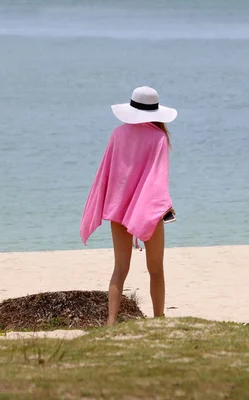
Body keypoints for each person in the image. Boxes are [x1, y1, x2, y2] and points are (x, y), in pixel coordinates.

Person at [80, 86, 177, 325]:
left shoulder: (118, 134)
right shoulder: (159, 137)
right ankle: (159, 320)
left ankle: (111, 323)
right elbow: (157, 178)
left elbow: (110, 174)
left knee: (120, 269)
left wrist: (110, 203)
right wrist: (164, 206)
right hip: (147, 212)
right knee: (156, 269)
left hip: (119, 211)